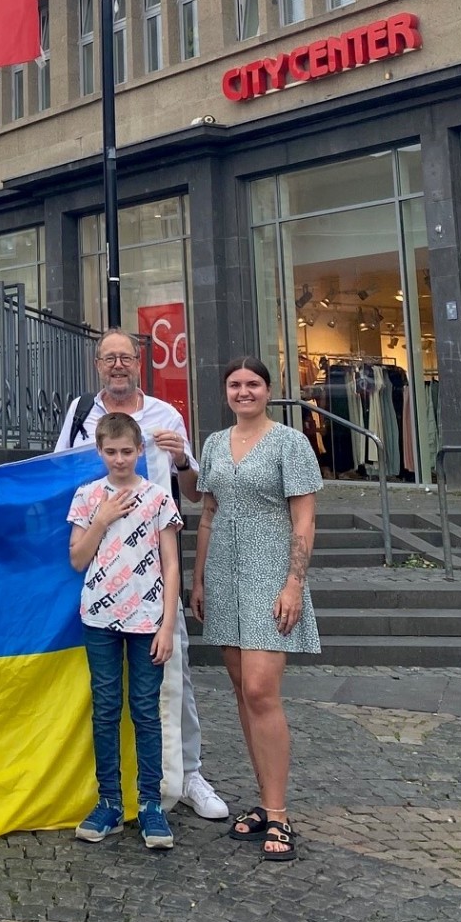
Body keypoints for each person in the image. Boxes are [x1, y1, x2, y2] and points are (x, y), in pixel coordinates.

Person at [53, 328, 228, 822]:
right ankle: (109, 787)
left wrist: (179, 459)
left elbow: (194, 492)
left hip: (155, 568)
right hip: (99, 566)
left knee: (176, 676)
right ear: (97, 365)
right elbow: (56, 474)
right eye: (108, 359)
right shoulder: (78, 412)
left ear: (138, 363)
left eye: (125, 358)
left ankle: (188, 771)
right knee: (106, 693)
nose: (117, 366)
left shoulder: (165, 415)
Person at [191, 355, 323, 866]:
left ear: (268, 390)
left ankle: (279, 812)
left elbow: (305, 520)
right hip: (224, 571)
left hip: (271, 571)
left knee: (260, 690)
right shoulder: (213, 443)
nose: (243, 392)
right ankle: (265, 800)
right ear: (225, 391)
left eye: (252, 384)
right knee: (241, 693)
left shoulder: (290, 442)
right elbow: (208, 514)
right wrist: (199, 578)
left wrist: (294, 583)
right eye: (235, 384)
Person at [67, 410, 182, 850]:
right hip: (99, 618)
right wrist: (102, 518)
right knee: (106, 709)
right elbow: (77, 558)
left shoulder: (157, 498)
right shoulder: (87, 495)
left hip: (148, 620)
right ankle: (110, 801)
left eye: (126, 452)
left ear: (139, 451)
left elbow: (171, 566)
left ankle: (150, 803)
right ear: (100, 451)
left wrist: (168, 625)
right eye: (111, 452)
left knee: (146, 711)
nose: (119, 459)